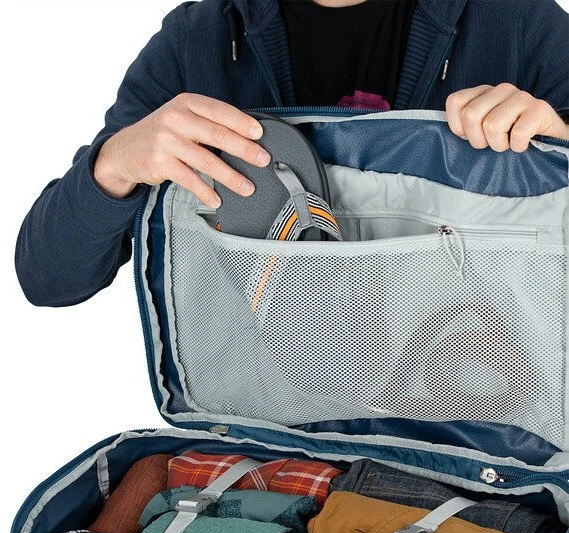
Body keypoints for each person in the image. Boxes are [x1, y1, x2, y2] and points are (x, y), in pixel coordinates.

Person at [15, 0, 569, 308]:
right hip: (269, 414)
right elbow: (49, 278)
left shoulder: (519, 25)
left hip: (481, 415)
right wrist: (113, 165)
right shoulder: (195, 43)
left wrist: (559, 138)